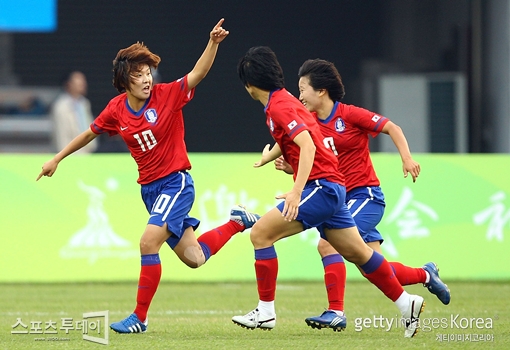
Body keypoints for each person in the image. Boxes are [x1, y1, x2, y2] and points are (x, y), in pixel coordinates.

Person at [37, 19, 261, 334]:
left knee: (147, 243)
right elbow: (89, 133)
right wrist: (56, 159)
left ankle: (139, 318)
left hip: (176, 183)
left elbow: (198, 74)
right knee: (195, 258)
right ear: (123, 81)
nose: (147, 79)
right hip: (151, 191)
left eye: (148, 73)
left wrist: (213, 42)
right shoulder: (116, 109)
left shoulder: (167, 95)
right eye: (139, 75)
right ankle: (237, 222)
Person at [232, 46, 425, 338]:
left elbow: (308, 145)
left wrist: (296, 191)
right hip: (333, 187)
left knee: (260, 234)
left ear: (248, 84)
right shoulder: (283, 103)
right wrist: (271, 157)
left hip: (321, 187)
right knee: (360, 254)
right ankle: (406, 302)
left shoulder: (279, 106)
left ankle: (266, 312)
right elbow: (302, 139)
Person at [272, 58, 451, 332]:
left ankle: (335, 312)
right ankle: (426, 274)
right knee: (374, 267)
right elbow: (316, 165)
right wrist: (290, 169)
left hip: (365, 195)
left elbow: (393, 127)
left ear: (321, 91)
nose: (300, 96)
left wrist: (406, 158)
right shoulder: (308, 124)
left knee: (327, 244)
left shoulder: (349, 114)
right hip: (338, 200)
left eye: (303, 88)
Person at [50, 71, 98, 154]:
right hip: (71, 155)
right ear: (69, 84)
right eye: (79, 82)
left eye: (83, 81)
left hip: (87, 153)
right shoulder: (61, 106)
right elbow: (61, 136)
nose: (83, 84)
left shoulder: (84, 103)